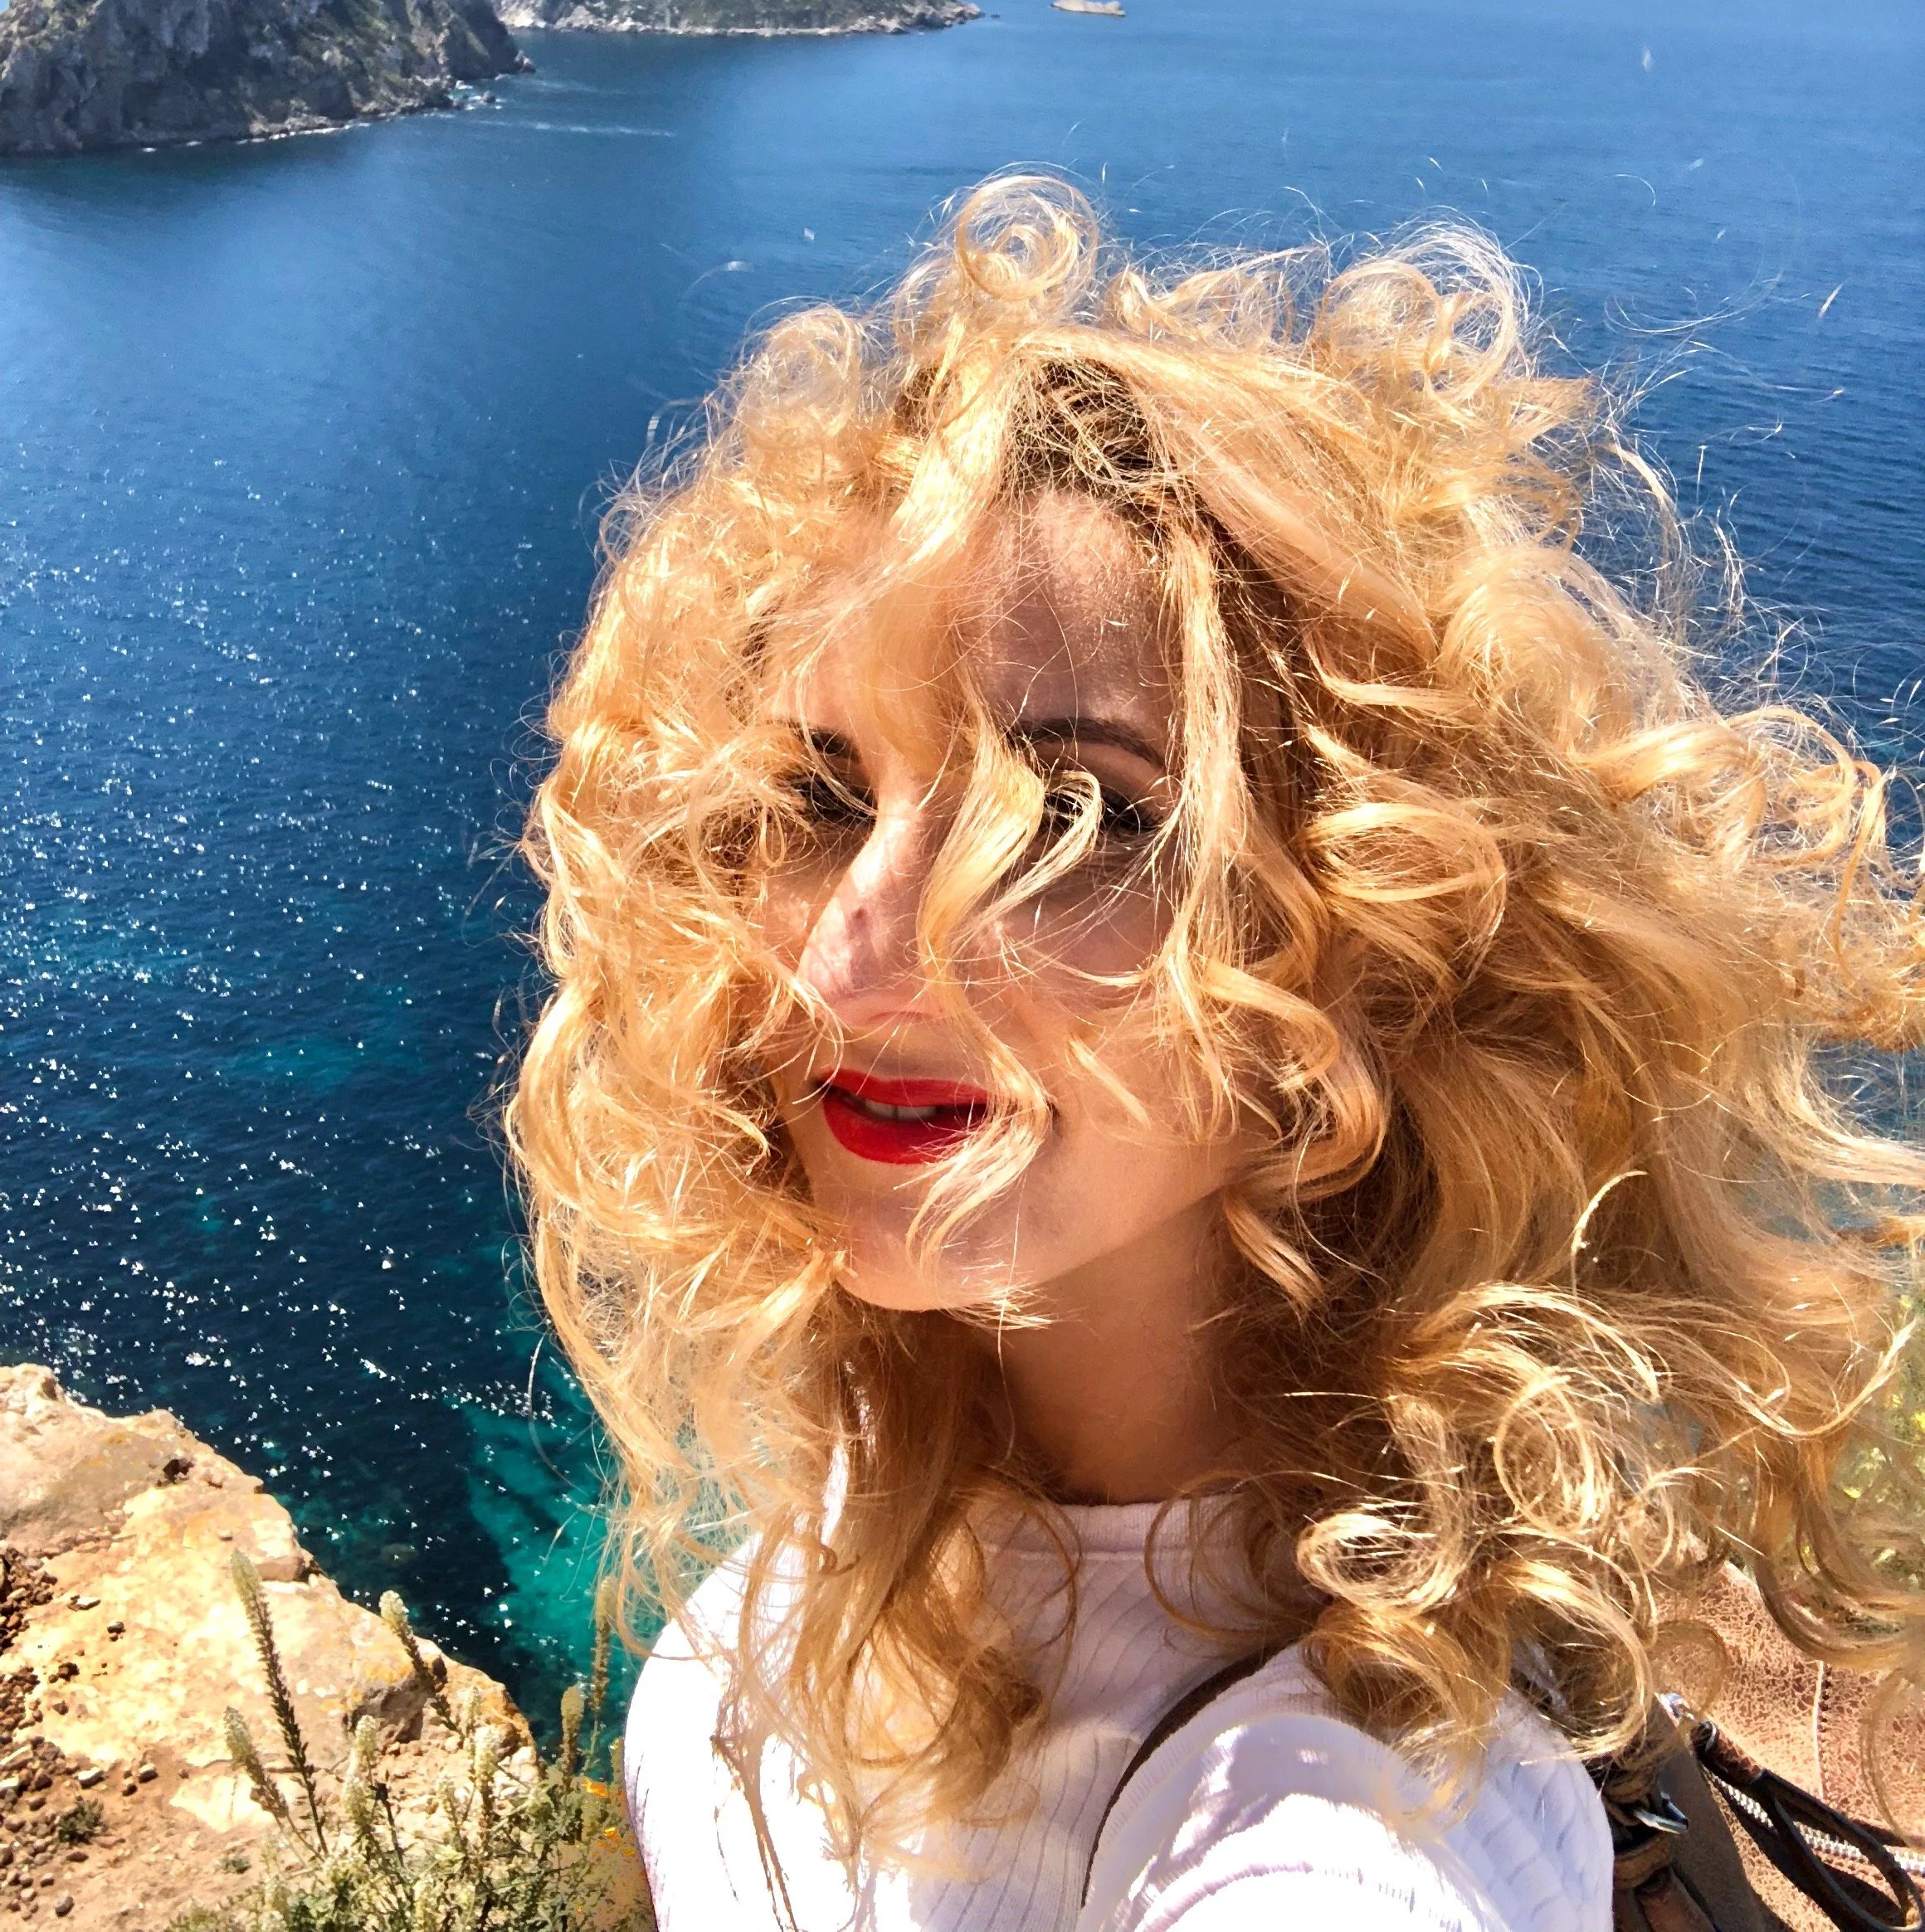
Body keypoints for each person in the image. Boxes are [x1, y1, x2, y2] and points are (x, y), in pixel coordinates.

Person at [509, 179, 1925, 1931]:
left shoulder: (1347, 1830)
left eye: (1080, 811)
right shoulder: (868, 1531)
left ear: (1369, 939)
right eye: (820, 793)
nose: (848, 952)